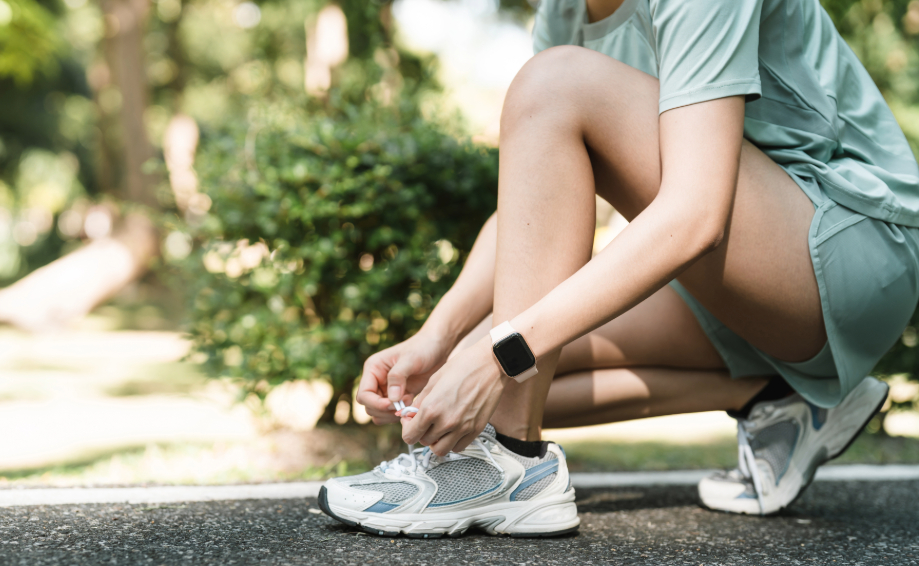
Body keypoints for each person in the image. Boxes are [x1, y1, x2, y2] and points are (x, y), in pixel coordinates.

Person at [316, 0, 913, 537]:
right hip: (736, 277)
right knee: (462, 384)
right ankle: (779, 396)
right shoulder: (564, 13)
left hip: (852, 245)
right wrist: (439, 337)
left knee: (554, 88)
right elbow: (532, 203)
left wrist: (498, 354)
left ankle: (507, 465)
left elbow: (694, 216)